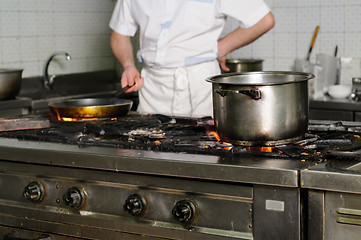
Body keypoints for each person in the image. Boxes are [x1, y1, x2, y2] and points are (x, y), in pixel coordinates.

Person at [109, 0, 275, 117]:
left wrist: (219, 48)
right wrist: (128, 65)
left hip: (198, 83)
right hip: (152, 86)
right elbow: (119, 34)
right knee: (148, 150)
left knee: (201, 152)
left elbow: (263, 20)